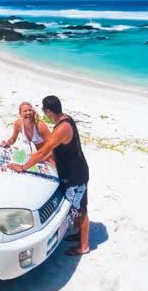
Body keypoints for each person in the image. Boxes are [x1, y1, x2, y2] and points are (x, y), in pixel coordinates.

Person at [7, 95, 90, 256]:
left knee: (81, 209)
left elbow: (44, 151)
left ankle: (84, 246)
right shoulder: (65, 119)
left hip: (76, 174)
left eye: (44, 111)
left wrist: (23, 167)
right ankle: (79, 235)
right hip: (73, 172)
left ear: (48, 111)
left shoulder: (62, 128)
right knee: (76, 207)